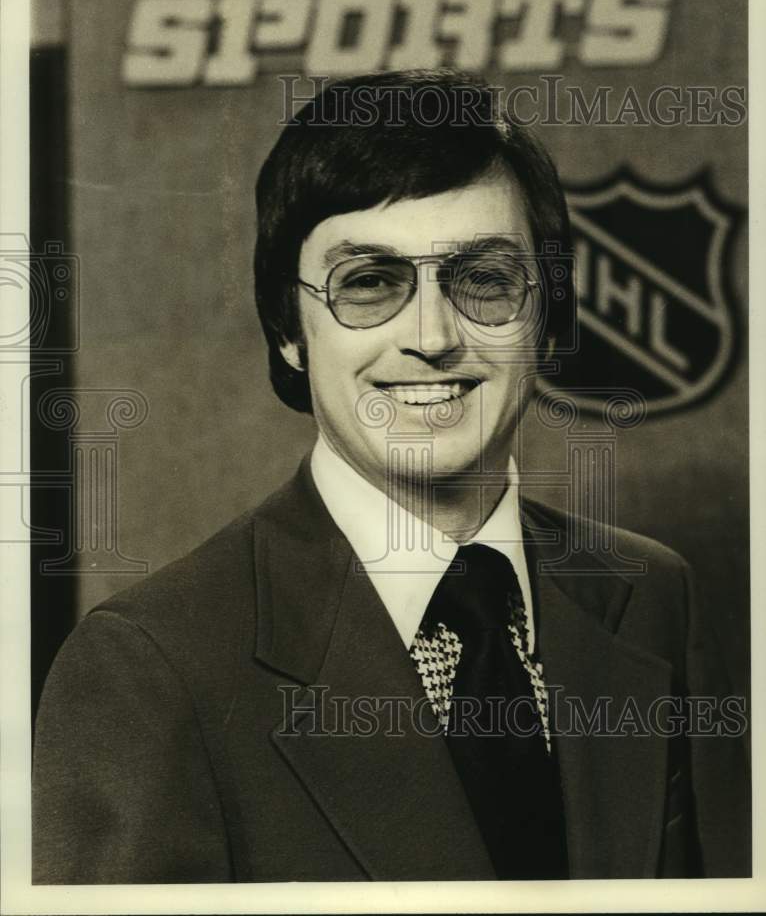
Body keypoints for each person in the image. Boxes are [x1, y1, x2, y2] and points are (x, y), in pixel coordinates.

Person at [32, 69, 749, 883]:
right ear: (289, 332)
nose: (433, 336)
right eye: (369, 284)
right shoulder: (151, 670)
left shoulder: (653, 598)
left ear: (547, 315)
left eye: (483, 279)